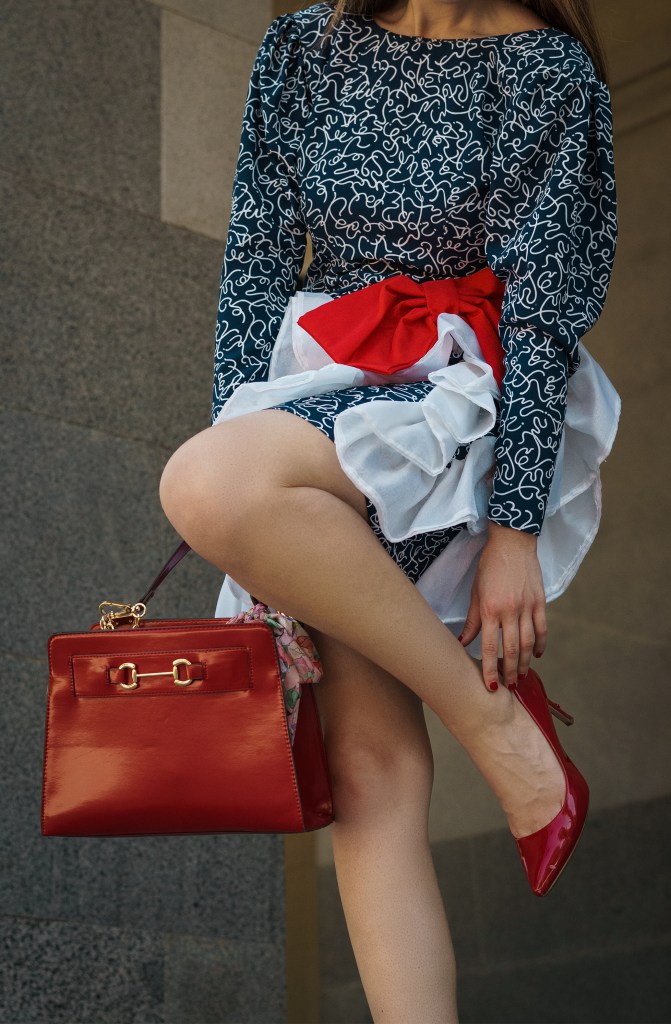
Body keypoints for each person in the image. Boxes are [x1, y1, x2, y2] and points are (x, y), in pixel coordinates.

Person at [158, 0, 620, 1019]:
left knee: (199, 483)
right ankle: (495, 724)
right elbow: (255, 264)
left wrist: (516, 526)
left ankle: (494, 726)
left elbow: (543, 314)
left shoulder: (543, 71)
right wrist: (253, 521)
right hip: (315, 389)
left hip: (453, 405)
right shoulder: (305, 46)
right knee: (365, 773)